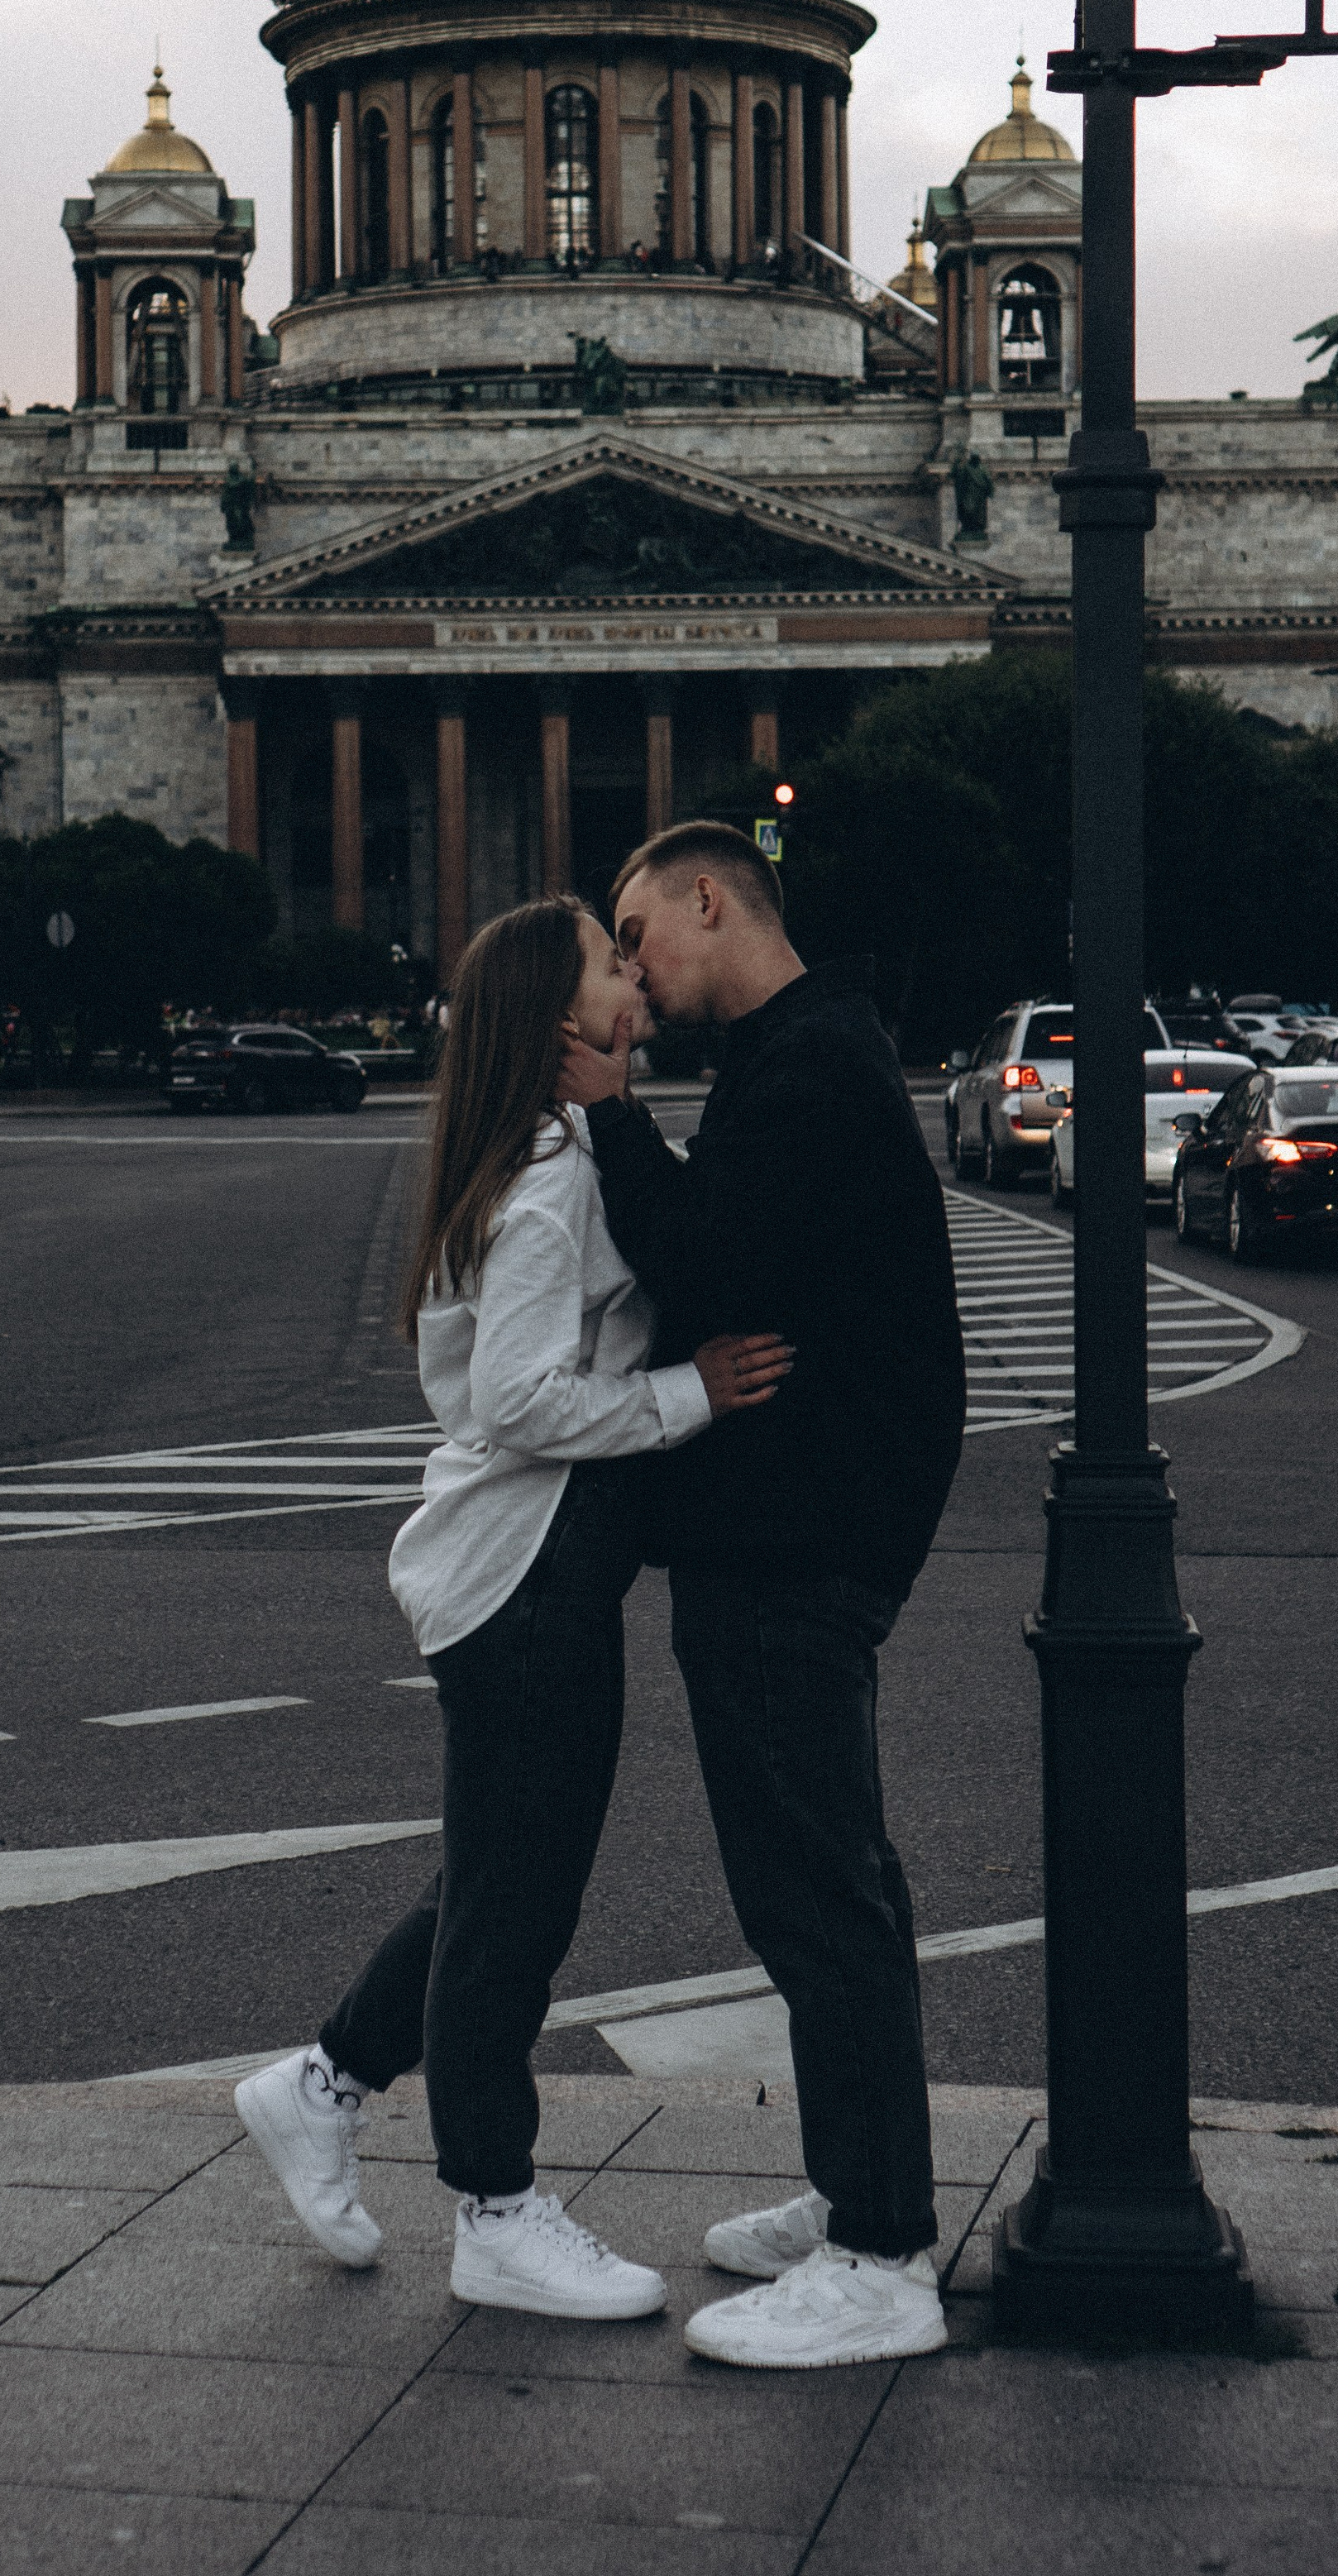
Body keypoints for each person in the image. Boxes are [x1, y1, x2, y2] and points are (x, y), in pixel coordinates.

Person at [237, 897, 790, 2320]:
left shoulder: (543, 1152)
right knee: (517, 1910)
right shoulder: (550, 1178)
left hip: (529, 1573)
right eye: (615, 964)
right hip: (527, 1579)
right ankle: (494, 2208)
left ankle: (322, 2087)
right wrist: (691, 1396)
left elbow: (476, 1370)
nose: (637, 977)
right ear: (560, 1021)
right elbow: (518, 1399)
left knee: (497, 1878)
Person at [557, 820, 965, 2373]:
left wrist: (605, 1118)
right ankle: (862, 2193)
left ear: (711, 900)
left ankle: (879, 2254)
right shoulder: (811, 1053)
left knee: (818, 1897)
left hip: (795, 1543)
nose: (636, 970)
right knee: (832, 1886)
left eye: (638, 929)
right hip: (803, 1533)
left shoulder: (802, 1075)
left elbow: (702, 1263)